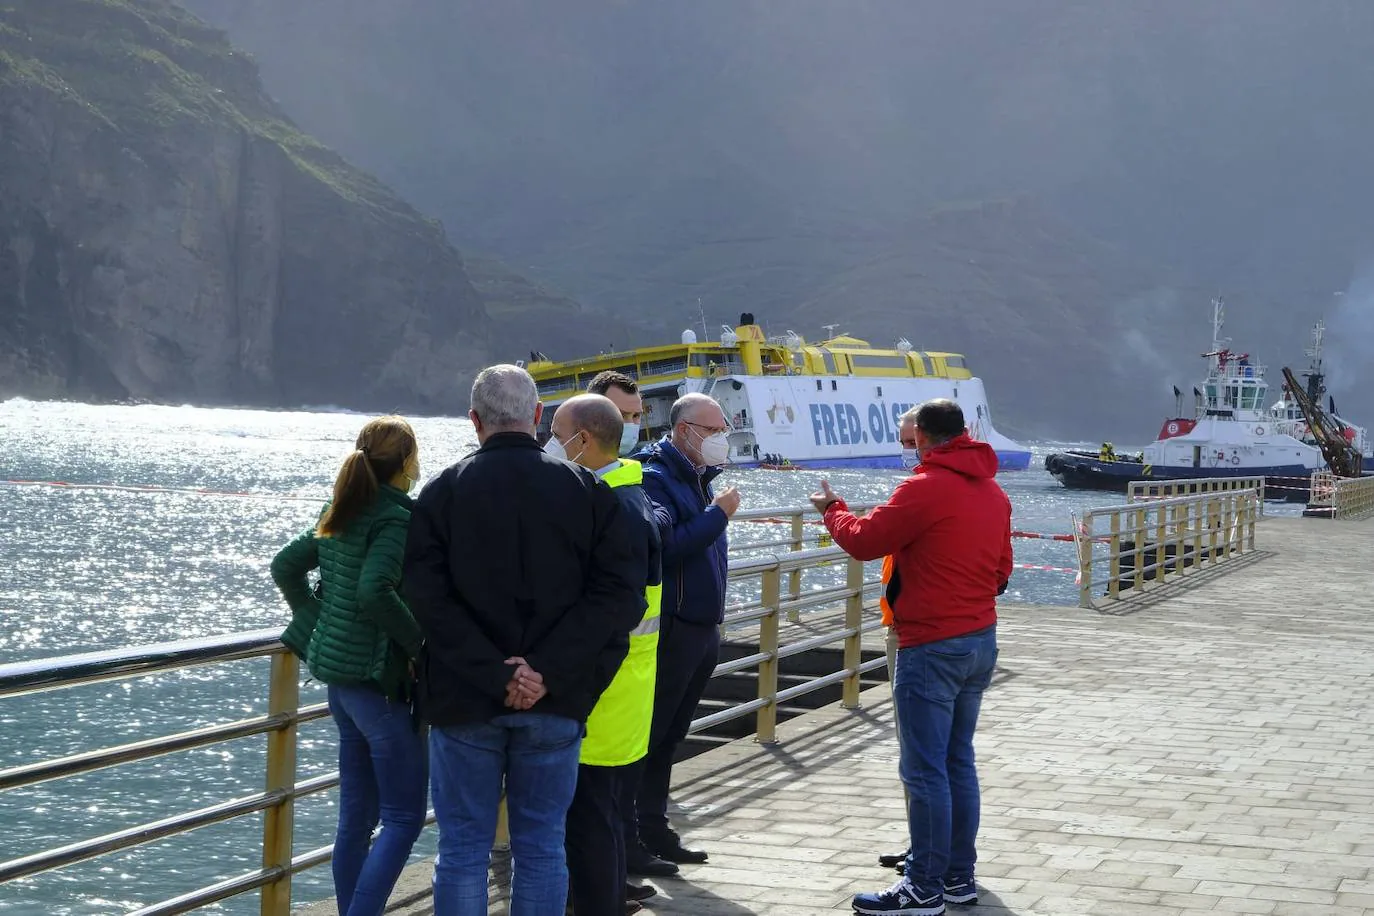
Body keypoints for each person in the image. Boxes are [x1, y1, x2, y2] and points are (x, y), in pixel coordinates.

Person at [403, 365, 644, 916]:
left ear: (474, 421)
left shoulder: (442, 492)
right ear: (537, 418)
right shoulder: (588, 491)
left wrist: (496, 672)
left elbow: (427, 601)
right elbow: (619, 598)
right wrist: (546, 673)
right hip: (554, 704)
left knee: (463, 848)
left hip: (464, 700)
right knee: (541, 846)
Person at [810, 399, 1012, 916]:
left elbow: (865, 541)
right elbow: (1002, 573)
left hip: (930, 645)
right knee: (957, 761)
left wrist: (833, 510)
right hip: (979, 640)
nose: (906, 450)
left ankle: (923, 889)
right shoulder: (992, 491)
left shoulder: (924, 487)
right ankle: (957, 879)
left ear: (923, 436)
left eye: (905, 441)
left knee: (924, 771)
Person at [270, 416, 426, 916]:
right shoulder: (394, 518)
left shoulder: (340, 510)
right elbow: (374, 589)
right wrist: (422, 645)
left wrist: (318, 620)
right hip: (379, 687)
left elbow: (285, 566)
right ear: (406, 463)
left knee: (356, 820)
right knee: (403, 818)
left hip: (340, 687)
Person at [548, 394, 663, 916]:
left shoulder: (602, 504)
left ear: (583, 440)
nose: (549, 443)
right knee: (608, 810)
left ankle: (597, 905)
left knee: (588, 815)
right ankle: (611, 897)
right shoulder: (636, 494)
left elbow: (599, 605)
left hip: (604, 686)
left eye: (556, 432)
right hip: (631, 681)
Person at [628, 392, 741, 875]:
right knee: (651, 735)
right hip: (674, 628)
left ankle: (654, 828)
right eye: (712, 430)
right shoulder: (656, 477)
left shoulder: (698, 478)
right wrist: (718, 515)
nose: (720, 439)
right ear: (683, 431)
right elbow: (664, 545)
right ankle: (633, 835)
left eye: (723, 431)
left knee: (672, 735)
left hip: (702, 627)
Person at [587, 370, 644, 457]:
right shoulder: (565, 467)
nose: (630, 424)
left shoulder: (641, 466)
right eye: (620, 414)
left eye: (636, 415)